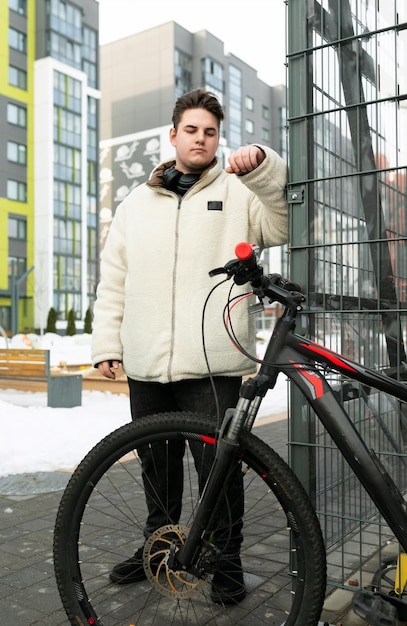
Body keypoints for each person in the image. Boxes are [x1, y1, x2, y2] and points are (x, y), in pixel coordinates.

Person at [91, 88, 288, 603]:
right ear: (173, 134)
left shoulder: (239, 190)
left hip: (211, 361)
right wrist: (107, 340)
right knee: (156, 471)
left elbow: (281, 224)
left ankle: (226, 563)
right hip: (146, 362)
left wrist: (264, 167)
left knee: (217, 471)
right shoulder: (136, 201)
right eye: (192, 130)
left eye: (211, 132)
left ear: (218, 138)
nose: (201, 139)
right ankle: (158, 550)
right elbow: (114, 276)